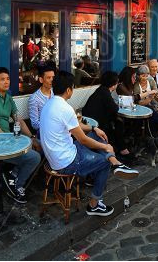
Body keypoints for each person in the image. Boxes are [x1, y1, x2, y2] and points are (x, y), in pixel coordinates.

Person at [40, 71, 139, 217]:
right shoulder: (65, 108)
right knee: (104, 162)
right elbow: (82, 140)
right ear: (69, 90)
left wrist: (94, 128)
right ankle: (94, 205)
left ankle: (116, 162)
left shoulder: (49, 103)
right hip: (67, 162)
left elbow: (77, 127)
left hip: (56, 155)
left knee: (95, 134)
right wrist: (105, 147)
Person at [0, 67, 41, 204]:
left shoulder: (8, 98)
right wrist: (8, 142)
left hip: (7, 140)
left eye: (8, 79)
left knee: (38, 147)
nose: (6, 82)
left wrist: (32, 137)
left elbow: (18, 119)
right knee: (34, 157)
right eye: (2, 79)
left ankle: (12, 176)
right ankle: (16, 186)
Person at [82, 71, 133, 160]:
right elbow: (115, 109)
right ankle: (121, 149)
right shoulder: (105, 93)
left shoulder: (101, 90)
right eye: (117, 83)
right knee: (119, 123)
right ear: (113, 85)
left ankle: (120, 147)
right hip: (96, 124)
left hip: (89, 120)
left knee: (117, 121)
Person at [28, 64, 55, 137]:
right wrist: (53, 126)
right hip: (44, 133)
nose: (52, 80)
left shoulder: (56, 93)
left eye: (53, 77)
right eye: (49, 78)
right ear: (41, 80)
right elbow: (35, 124)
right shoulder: (34, 98)